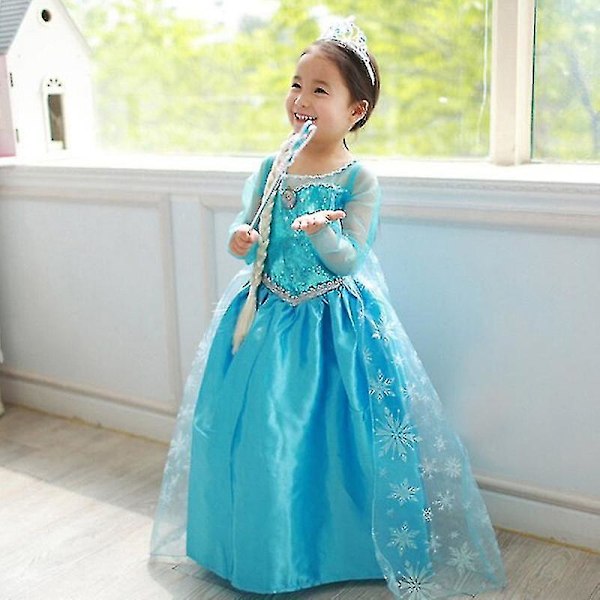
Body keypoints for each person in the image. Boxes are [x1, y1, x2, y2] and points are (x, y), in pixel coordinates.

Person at [150, 19, 506, 599]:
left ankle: (338, 545)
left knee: (338, 437)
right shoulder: (272, 167)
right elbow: (251, 231)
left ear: (355, 110)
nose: (301, 98)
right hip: (267, 316)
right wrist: (241, 237)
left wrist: (322, 232)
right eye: (297, 84)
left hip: (333, 325)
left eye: (320, 89)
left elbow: (348, 260)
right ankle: (258, 545)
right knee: (261, 432)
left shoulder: (358, 180)